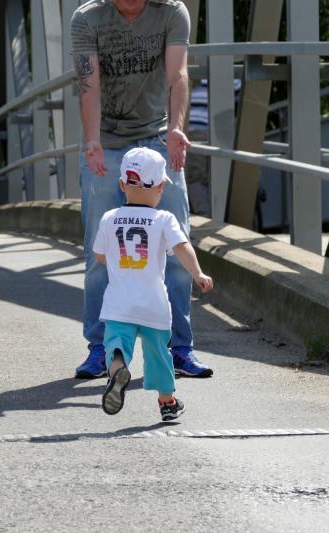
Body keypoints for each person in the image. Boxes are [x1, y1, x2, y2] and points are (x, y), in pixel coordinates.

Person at [70, 0, 213, 379]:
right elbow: (88, 84)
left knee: (177, 243)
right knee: (99, 253)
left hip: (156, 138)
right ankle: (100, 349)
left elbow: (177, 75)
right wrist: (92, 139)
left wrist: (176, 128)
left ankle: (180, 348)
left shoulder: (171, 12)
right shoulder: (88, 18)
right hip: (105, 142)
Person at [93, 147, 213, 421]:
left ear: (122, 184)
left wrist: (117, 260)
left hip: (119, 304)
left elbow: (99, 255)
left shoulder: (109, 218)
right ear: (160, 187)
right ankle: (167, 402)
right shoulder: (163, 219)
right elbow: (182, 247)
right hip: (154, 305)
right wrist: (198, 273)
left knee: (116, 344)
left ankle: (118, 370)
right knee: (159, 354)